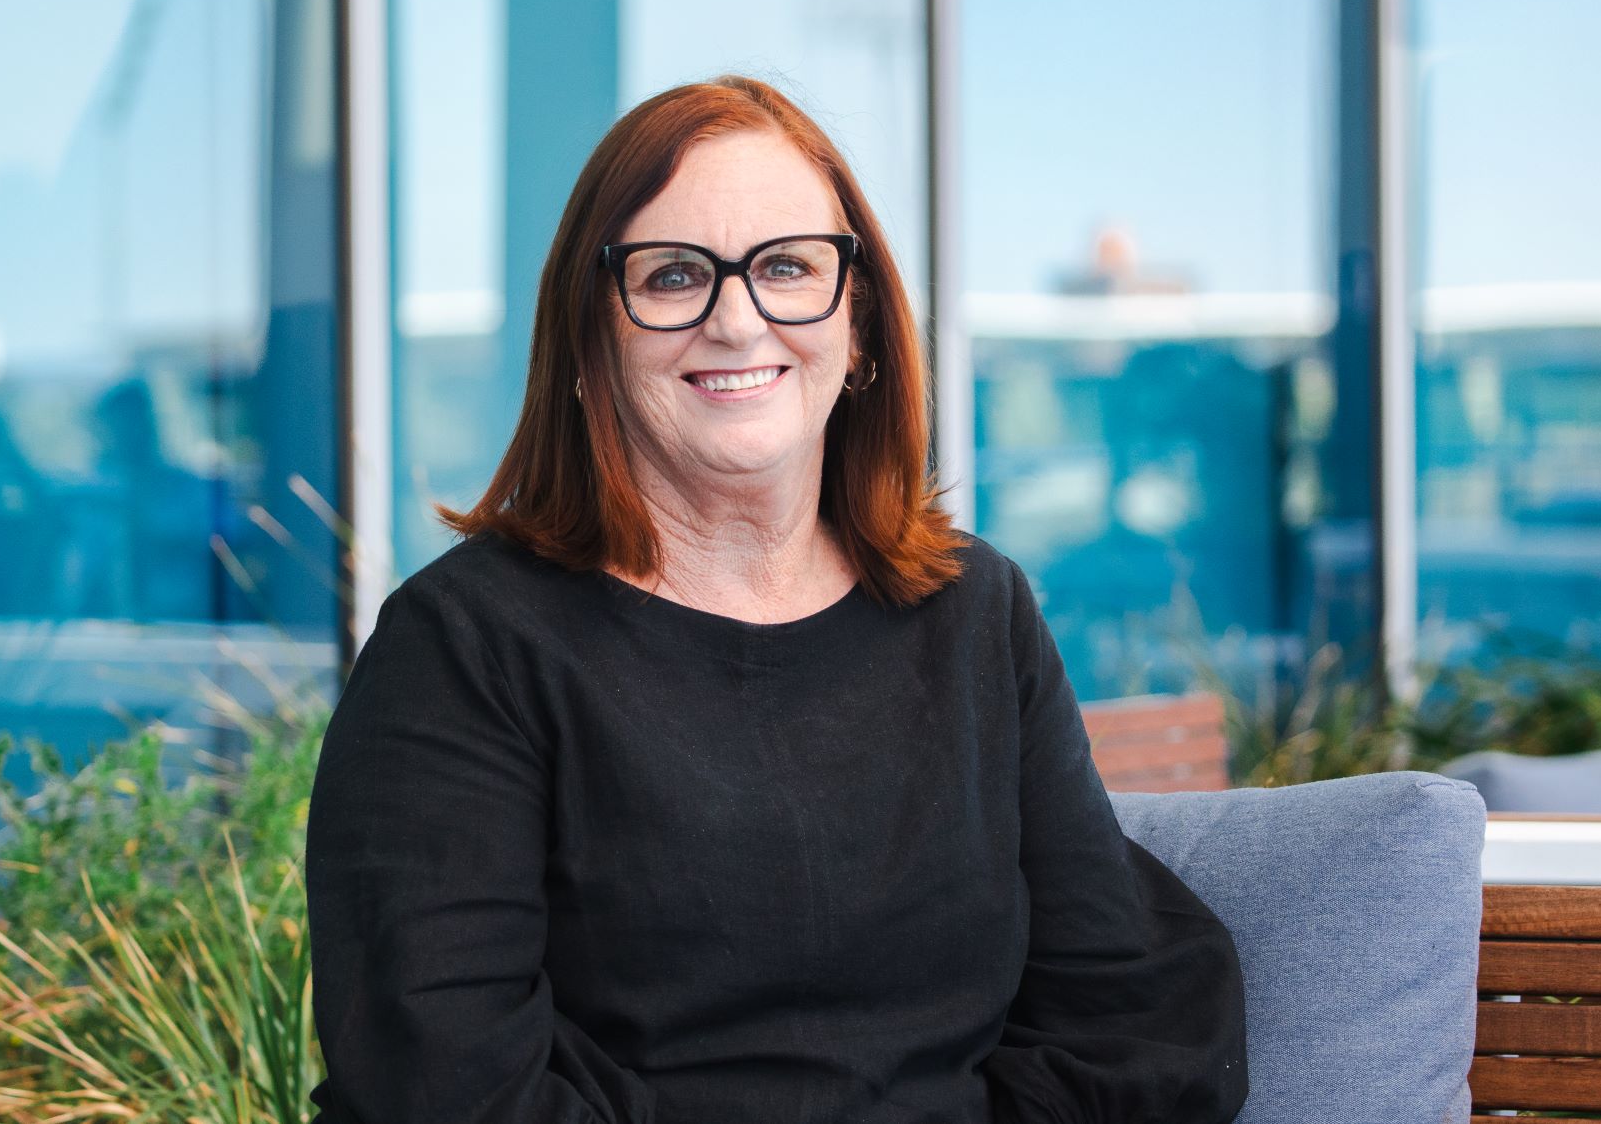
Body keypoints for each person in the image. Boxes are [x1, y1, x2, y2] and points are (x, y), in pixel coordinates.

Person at [305, 75, 1248, 1124]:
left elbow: (1128, 1013)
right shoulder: (465, 646)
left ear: (861, 321)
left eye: (788, 266)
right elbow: (445, 1087)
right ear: (589, 341)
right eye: (672, 276)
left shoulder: (976, 612)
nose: (738, 319)